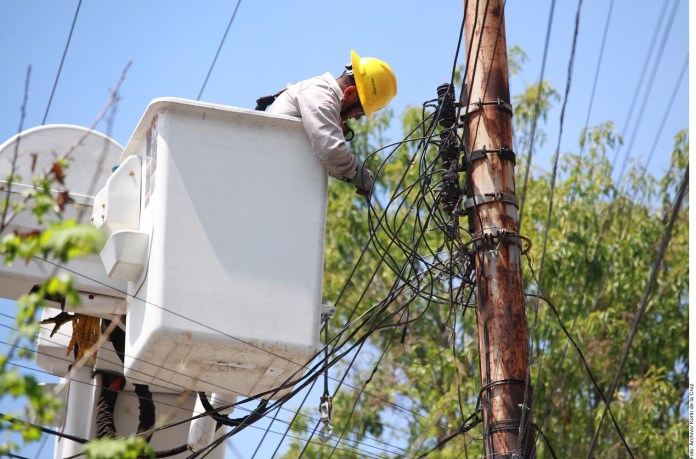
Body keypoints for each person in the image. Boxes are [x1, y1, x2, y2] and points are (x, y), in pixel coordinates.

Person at [261, 50, 397, 196]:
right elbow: (331, 152)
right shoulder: (321, 95)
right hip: (270, 176)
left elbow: (327, 158)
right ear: (350, 93)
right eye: (360, 111)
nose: (357, 118)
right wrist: (360, 175)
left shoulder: (321, 95)